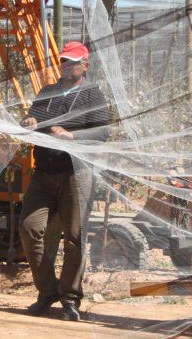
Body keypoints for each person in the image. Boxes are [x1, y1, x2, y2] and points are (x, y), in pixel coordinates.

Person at [18, 41, 111, 321]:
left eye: (73, 62)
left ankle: (70, 297)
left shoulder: (92, 95)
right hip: (44, 171)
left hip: (75, 173)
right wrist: (29, 122)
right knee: (29, 228)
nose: (67, 66)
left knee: (74, 237)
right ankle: (47, 292)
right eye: (64, 62)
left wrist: (72, 137)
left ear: (85, 64)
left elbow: (103, 132)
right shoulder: (47, 92)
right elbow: (37, 119)